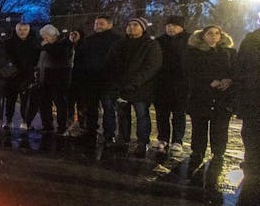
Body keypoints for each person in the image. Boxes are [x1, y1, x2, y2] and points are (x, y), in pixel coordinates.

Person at [185, 26, 236, 193]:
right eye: (209, 33)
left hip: (222, 97)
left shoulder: (229, 52)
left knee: (220, 127)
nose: (213, 36)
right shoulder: (194, 52)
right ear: (202, 36)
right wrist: (208, 81)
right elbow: (190, 72)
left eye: (217, 33)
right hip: (201, 96)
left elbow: (236, 70)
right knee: (200, 126)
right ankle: (198, 151)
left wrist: (228, 80)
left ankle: (218, 153)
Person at [109, 17, 162, 158]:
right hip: (121, 87)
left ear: (143, 28)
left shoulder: (150, 45)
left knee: (142, 115)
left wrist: (134, 82)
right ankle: (123, 139)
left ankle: (142, 142)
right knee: (122, 115)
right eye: (129, 24)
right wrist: (116, 82)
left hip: (141, 88)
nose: (131, 27)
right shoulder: (119, 44)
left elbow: (151, 66)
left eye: (135, 25)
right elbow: (112, 64)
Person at [73, 15, 122, 143]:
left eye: (101, 23)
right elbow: (80, 58)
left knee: (108, 108)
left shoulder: (117, 40)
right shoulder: (89, 40)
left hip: (108, 80)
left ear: (110, 25)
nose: (98, 26)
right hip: (90, 80)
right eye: (96, 24)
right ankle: (91, 131)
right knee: (91, 108)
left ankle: (109, 134)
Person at [153, 15, 190, 155]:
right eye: (168, 25)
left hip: (182, 84)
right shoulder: (159, 41)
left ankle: (177, 141)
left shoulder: (189, 41)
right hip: (162, 83)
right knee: (162, 113)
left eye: (174, 25)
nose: (170, 28)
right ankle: (163, 138)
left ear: (181, 27)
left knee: (179, 114)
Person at [29, 24, 73, 133]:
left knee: (60, 103)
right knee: (44, 103)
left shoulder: (63, 44)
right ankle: (47, 125)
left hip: (58, 80)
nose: (44, 39)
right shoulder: (45, 46)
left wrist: (47, 46)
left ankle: (62, 126)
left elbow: (60, 55)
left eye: (45, 36)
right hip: (44, 79)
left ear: (52, 35)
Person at [235, 27, 260, 206]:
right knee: (251, 137)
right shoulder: (251, 39)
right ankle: (252, 173)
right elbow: (240, 67)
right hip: (253, 99)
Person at [3, 22, 40, 129]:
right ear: (16, 30)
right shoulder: (8, 43)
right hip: (12, 76)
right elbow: (5, 58)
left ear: (28, 30)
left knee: (26, 101)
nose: (22, 32)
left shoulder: (34, 43)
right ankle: (8, 120)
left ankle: (25, 121)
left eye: (24, 29)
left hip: (27, 76)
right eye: (20, 29)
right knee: (10, 100)